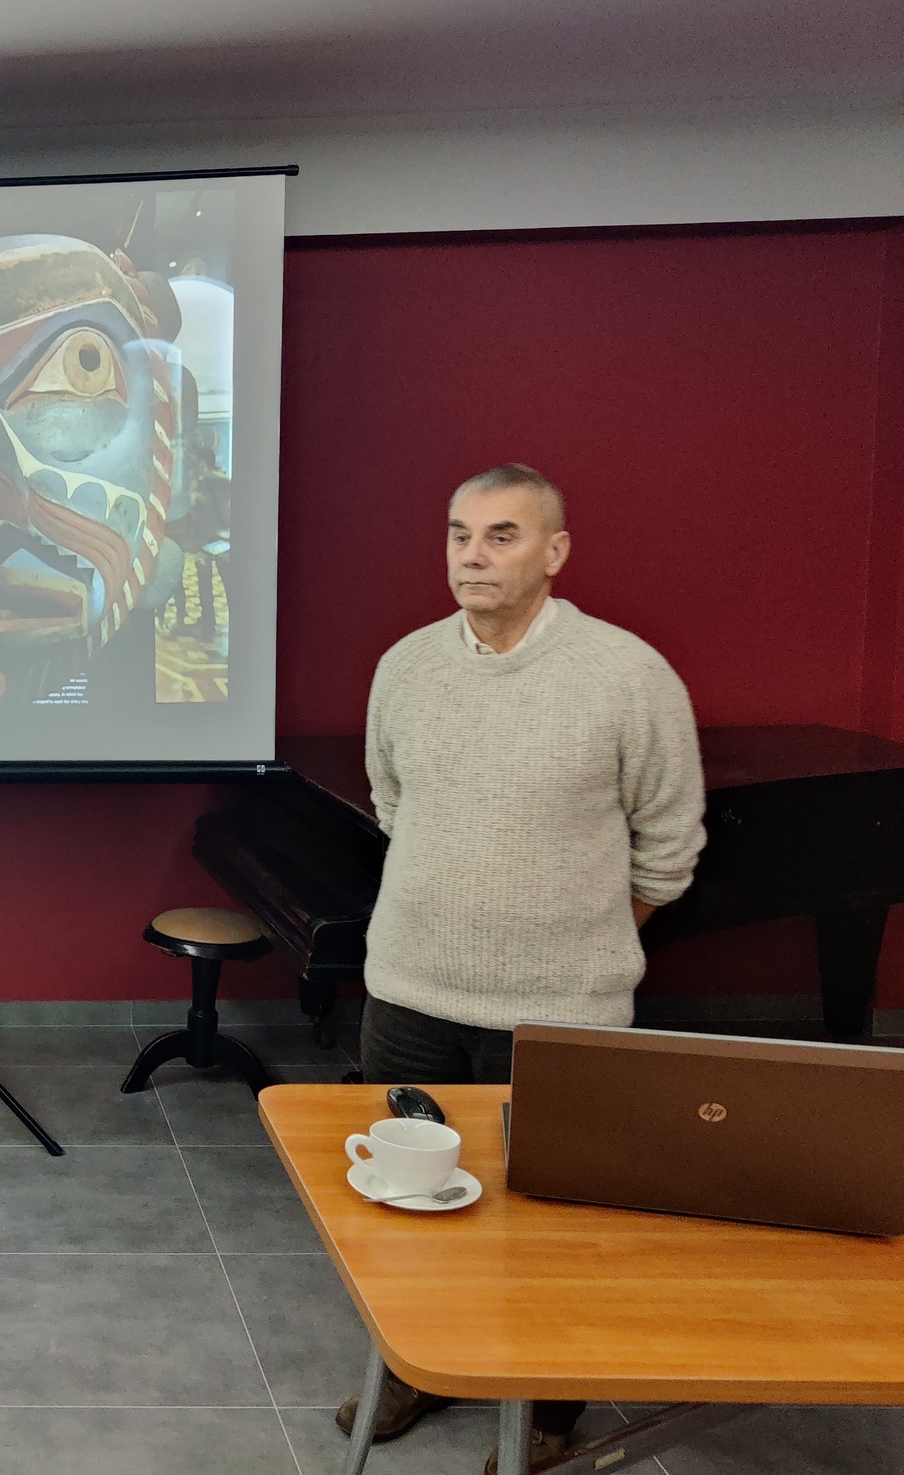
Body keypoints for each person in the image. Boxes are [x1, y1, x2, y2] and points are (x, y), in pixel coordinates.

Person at [337, 464, 705, 1475]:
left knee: (552, 1226)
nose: (472, 555)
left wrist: (577, 942)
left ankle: (545, 1411)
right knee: (401, 1203)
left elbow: (668, 845)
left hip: (559, 1010)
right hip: (407, 992)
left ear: (555, 552)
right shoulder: (406, 667)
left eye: (502, 535)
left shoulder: (626, 675)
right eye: (459, 533)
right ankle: (416, 1367)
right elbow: (391, 800)